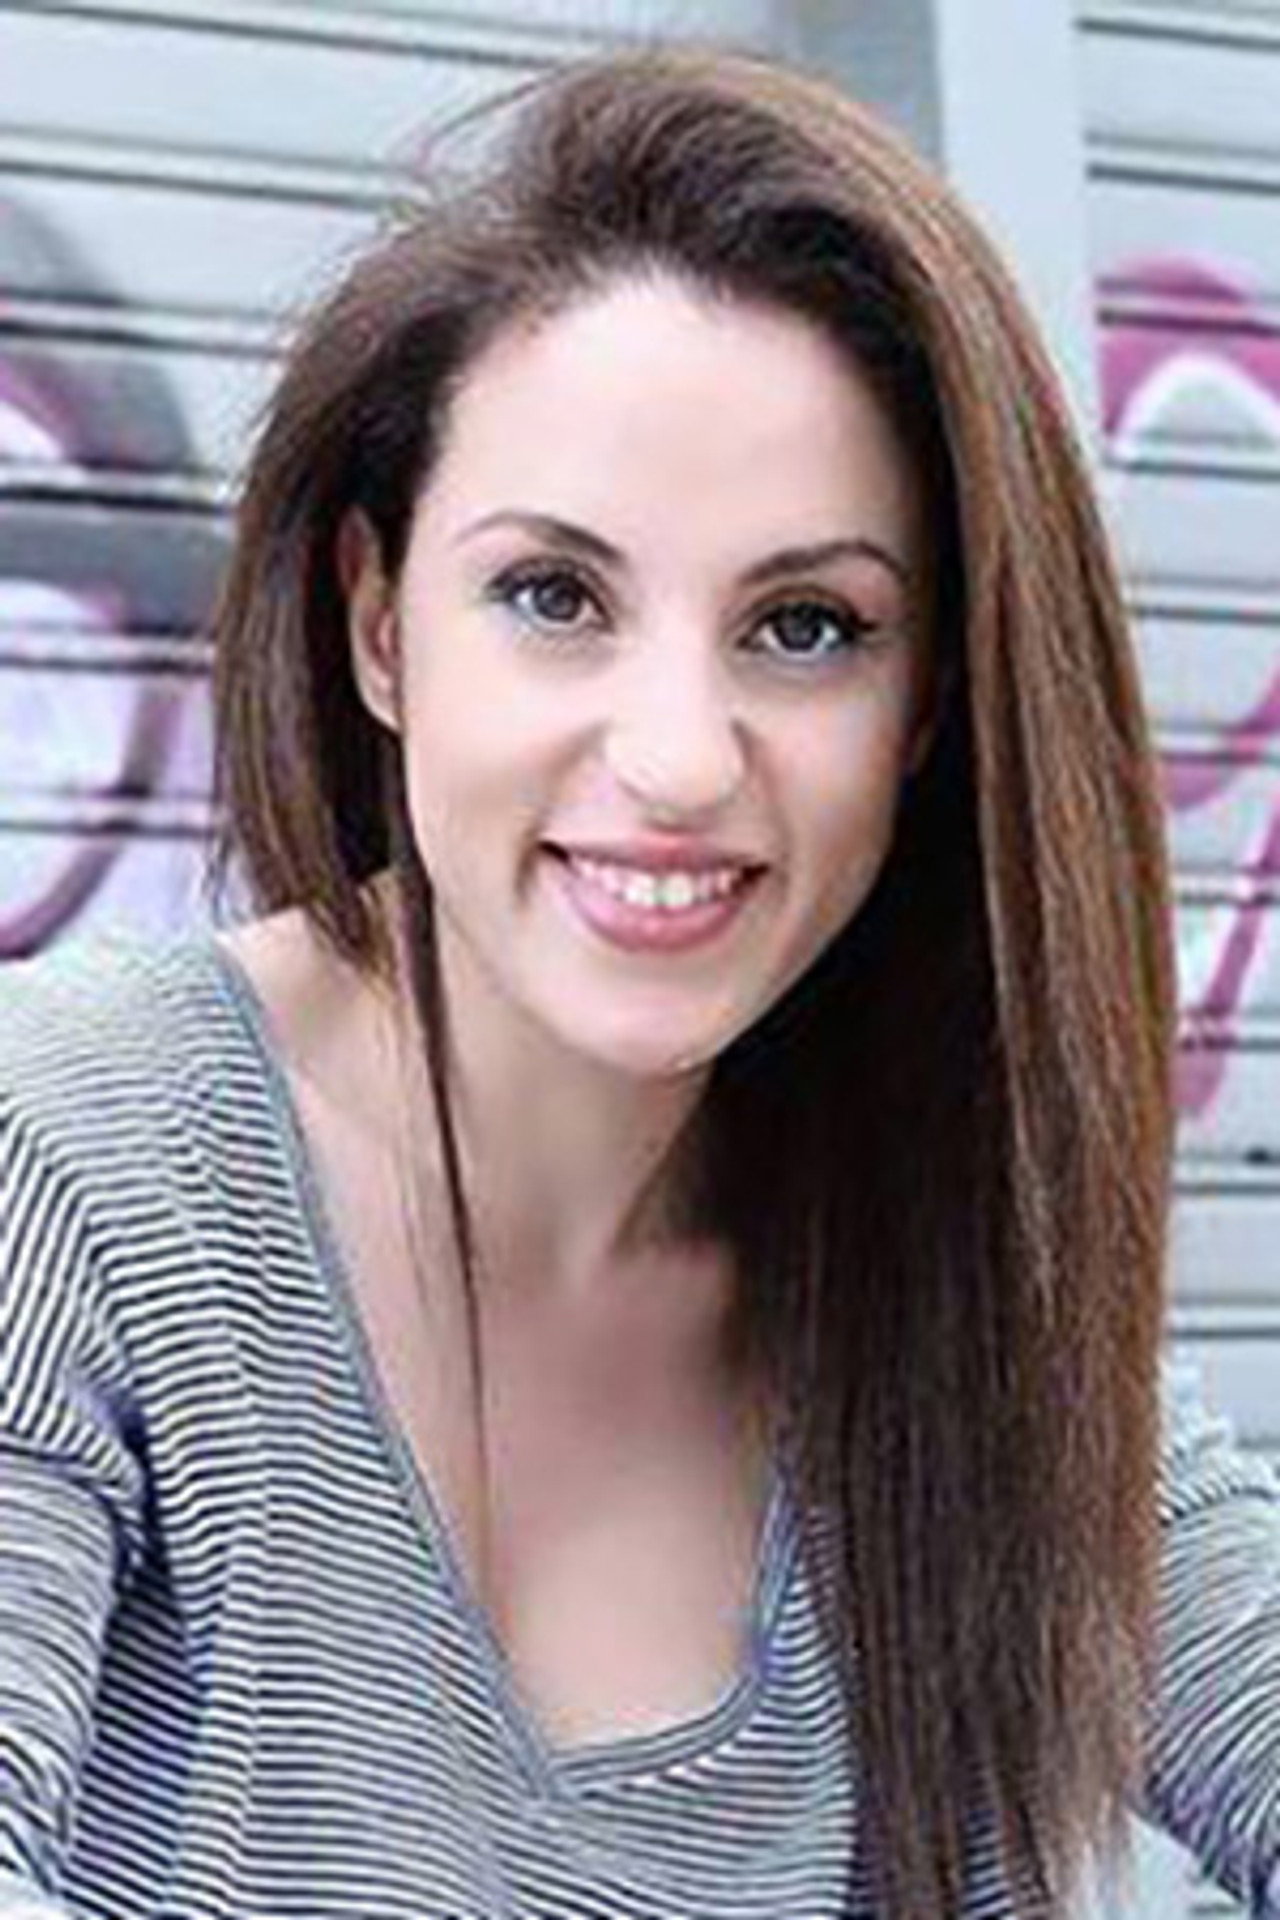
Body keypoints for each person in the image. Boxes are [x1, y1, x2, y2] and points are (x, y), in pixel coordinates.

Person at [0, 41, 1275, 1920]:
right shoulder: (75, 1164)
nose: (678, 756)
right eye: (554, 596)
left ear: (926, 708)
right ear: (378, 623)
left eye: (805, 626)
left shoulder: (959, 1289)